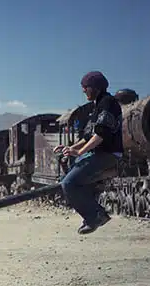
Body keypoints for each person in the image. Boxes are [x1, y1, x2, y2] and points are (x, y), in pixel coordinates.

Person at [54, 71, 124, 235]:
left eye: (85, 87)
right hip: (98, 153)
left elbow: (101, 134)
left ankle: (95, 216)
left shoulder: (108, 103)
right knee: (67, 178)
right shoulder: (98, 105)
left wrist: (81, 152)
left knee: (68, 184)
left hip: (108, 153)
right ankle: (95, 212)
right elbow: (88, 136)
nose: (83, 90)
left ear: (95, 88)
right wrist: (72, 148)